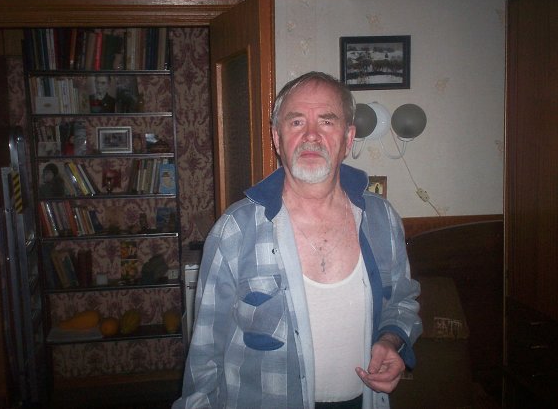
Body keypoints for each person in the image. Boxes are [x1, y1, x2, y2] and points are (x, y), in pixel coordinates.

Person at [174, 72, 422, 409]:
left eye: (327, 121)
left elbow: (402, 302)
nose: (311, 136)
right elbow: (205, 351)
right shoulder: (235, 230)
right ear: (277, 139)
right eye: (296, 122)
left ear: (348, 138)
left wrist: (391, 340)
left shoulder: (383, 219)